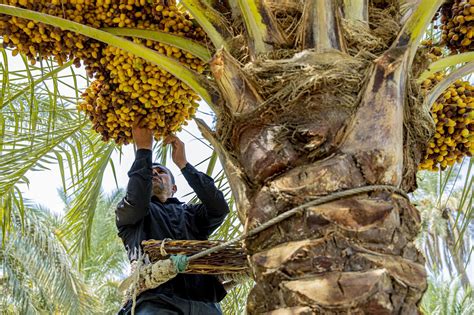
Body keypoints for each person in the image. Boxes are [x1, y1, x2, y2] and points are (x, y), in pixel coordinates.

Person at [116, 125, 229, 315]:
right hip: (155, 302)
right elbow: (137, 199)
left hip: (205, 304)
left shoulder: (192, 215)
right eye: (150, 172)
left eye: (161, 172)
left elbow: (219, 207)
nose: (154, 173)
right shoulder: (129, 213)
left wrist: (183, 164)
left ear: (174, 188)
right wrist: (144, 150)